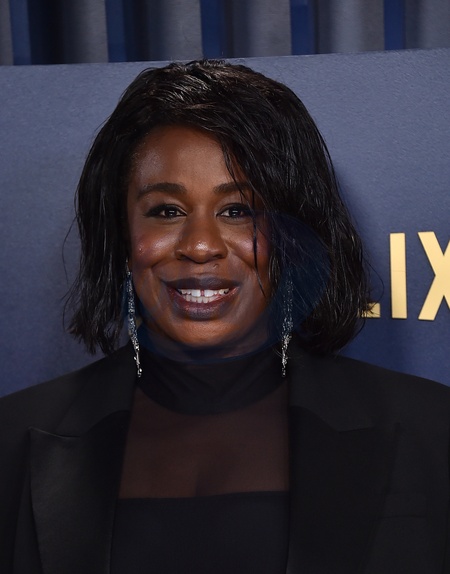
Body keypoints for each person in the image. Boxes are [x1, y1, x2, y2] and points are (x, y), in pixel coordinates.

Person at [1, 59, 450, 574]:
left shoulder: (432, 431)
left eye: (238, 210)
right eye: (166, 211)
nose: (199, 246)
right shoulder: (11, 439)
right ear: (123, 236)